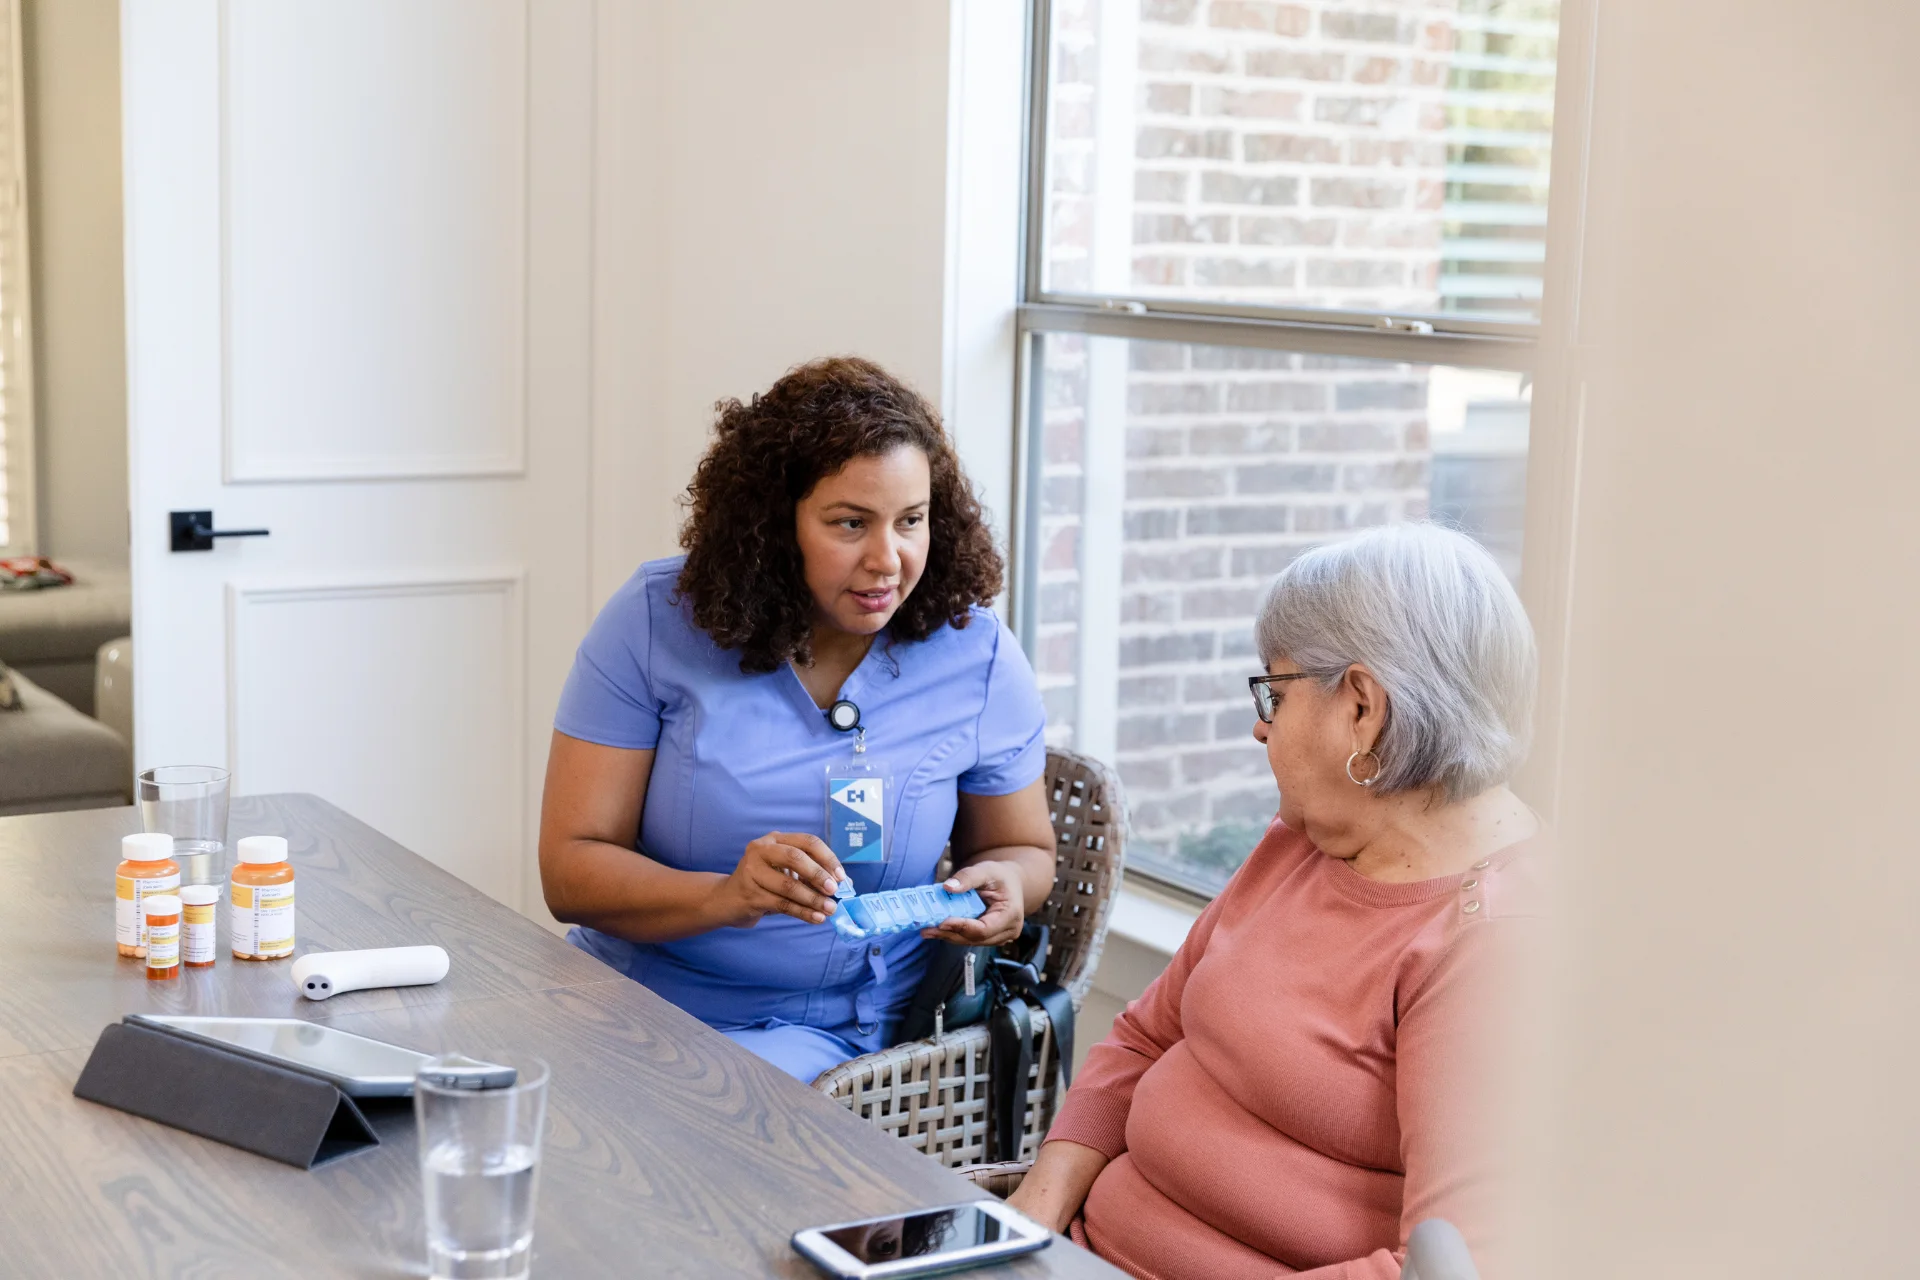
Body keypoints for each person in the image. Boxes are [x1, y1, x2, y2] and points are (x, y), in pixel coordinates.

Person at [1008, 522, 1543, 1279]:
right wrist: (1027, 1223)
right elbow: (1141, 1040)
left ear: (1362, 706)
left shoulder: (1489, 943)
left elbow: (1450, 1267)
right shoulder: (1306, 839)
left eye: (1275, 689)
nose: (1261, 727)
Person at [538, 357, 1056, 1083]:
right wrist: (727, 896)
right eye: (850, 524)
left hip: (833, 1032)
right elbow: (570, 871)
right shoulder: (654, 623)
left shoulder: (978, 656)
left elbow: (1025, 852)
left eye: (912, 521)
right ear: (775, 526)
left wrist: (1004, 884)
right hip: (627, 994)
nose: (888, 560)